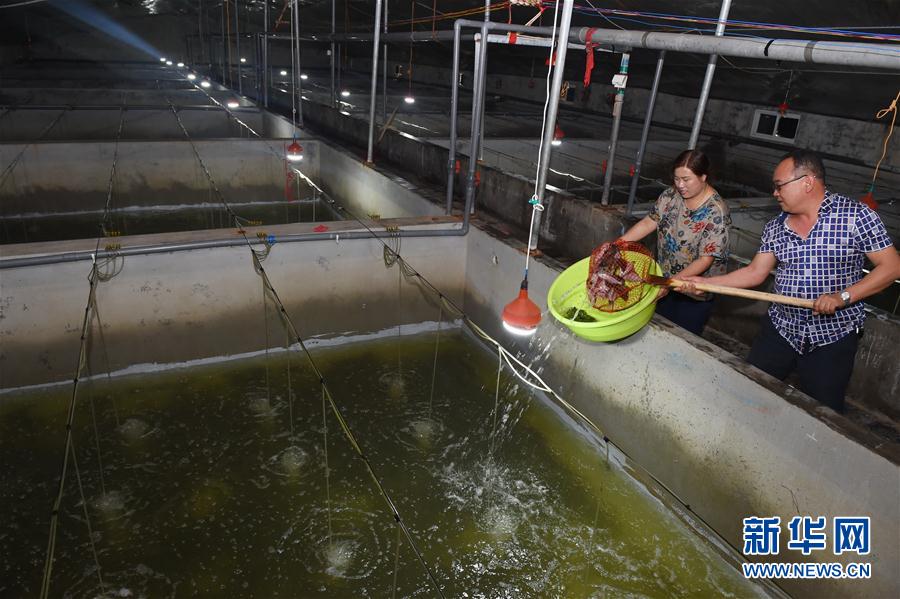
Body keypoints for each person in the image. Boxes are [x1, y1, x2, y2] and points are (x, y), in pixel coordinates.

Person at [682, 149, 900, 413]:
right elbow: (755, 273)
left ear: (807, 182)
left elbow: (891, 268)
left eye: (779, 186)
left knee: (824, 414)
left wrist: (842, 297)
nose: (775, 193)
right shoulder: (775, 227)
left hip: (832, 337)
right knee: (750, 390)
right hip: (781, 329)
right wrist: (703, 283)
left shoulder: (856, 216)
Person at [619, 149, 731, 335]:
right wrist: (619, 243)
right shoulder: (670, 196)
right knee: (655, 329)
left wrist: (670, 283)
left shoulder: (716, 212)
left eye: (686, 180)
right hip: (663, 278)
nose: (680, 185)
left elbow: (705, 260)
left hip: (692, 292)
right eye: (676, 179)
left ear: (703, 177)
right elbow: (649, 222)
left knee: (681, 336)